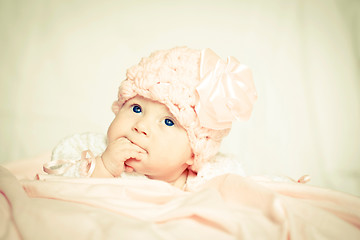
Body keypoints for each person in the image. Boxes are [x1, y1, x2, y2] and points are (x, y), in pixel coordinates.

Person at [43, 46, 258, 190]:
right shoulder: (90, 149)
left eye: (168, 121)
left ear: (193, 153)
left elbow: (254, 195)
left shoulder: (214, 177)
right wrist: (103, 167)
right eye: (136, 108)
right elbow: (55, 183)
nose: (141, 126)